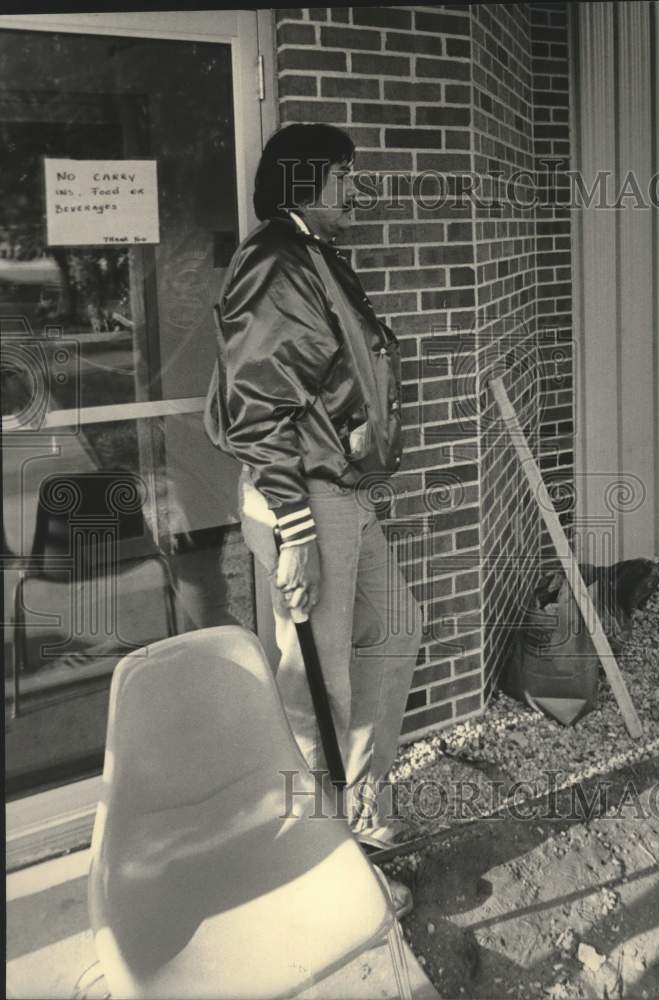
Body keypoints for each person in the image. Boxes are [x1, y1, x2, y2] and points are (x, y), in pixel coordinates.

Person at [205, 123, 422, 914]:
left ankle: (358, 809)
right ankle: (319, 865)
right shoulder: (278, 262)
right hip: (304, 499)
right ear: (307, 180)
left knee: (394, 628)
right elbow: (257, 405)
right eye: (343, 176)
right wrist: (294, 531)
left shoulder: (312, 256)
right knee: (312, 689)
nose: (354, 191)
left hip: (341, 492)